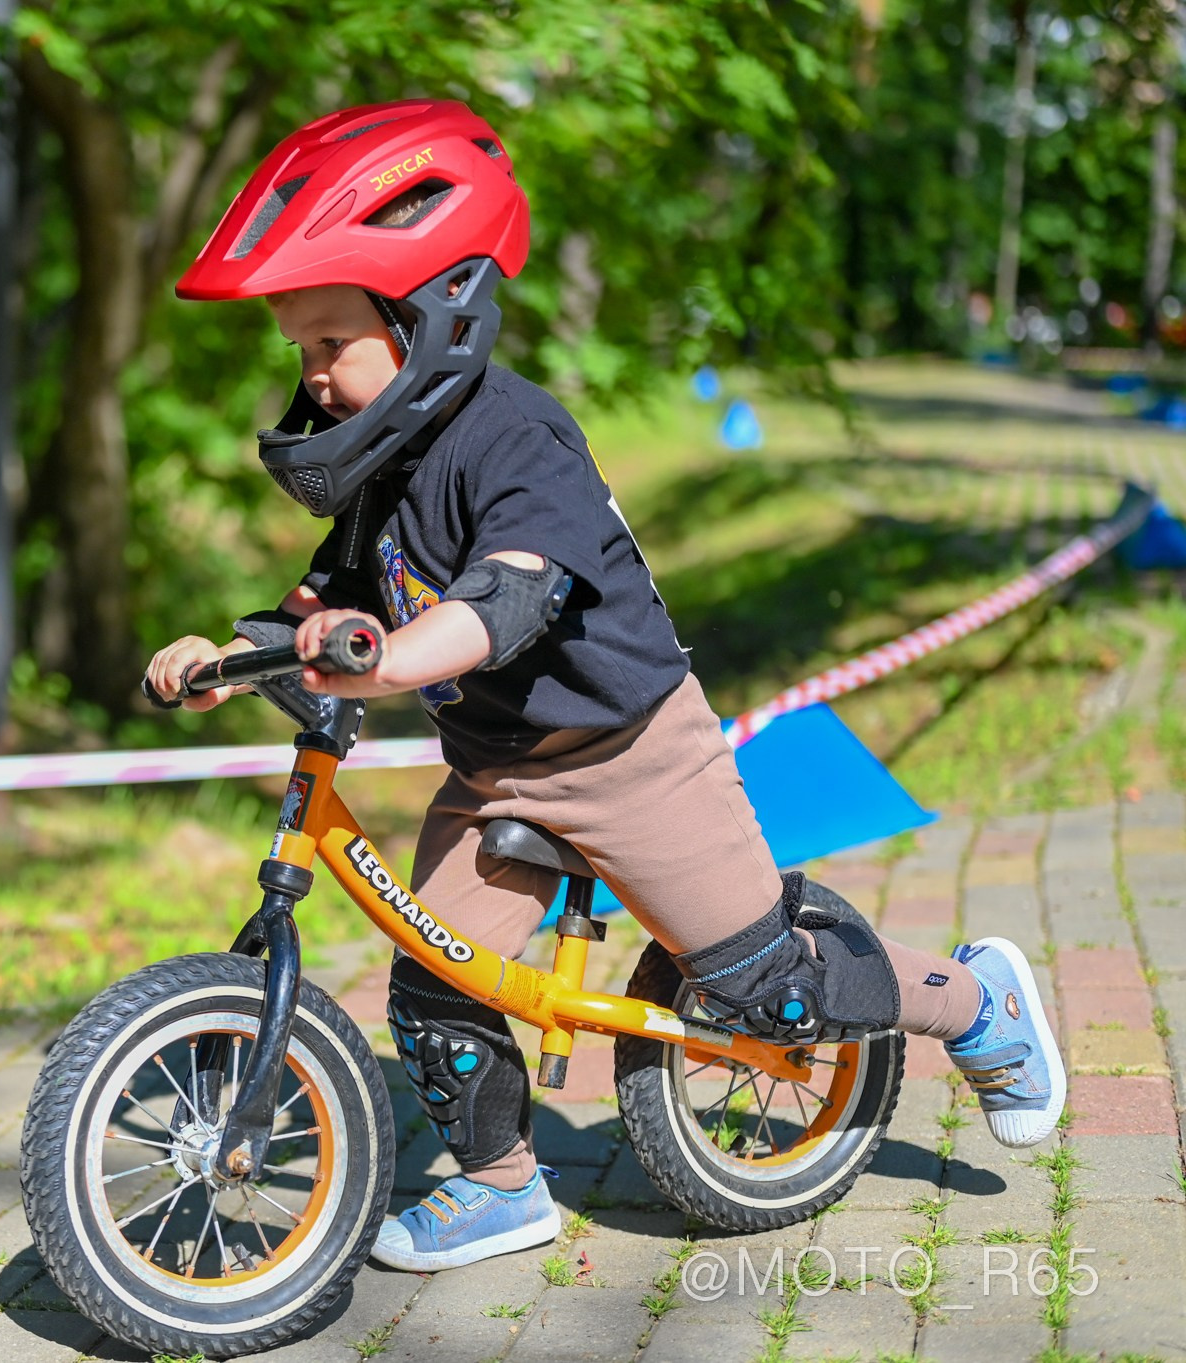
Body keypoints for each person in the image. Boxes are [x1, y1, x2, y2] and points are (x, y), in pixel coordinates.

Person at [152, 100, 1064, 1274]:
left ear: (427, 315)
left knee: (758, 989)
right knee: (436, 988)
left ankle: (972, 1000)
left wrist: (392, 657)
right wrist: (230, 656)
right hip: (496, 770)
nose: (313, 377)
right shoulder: (380, 470)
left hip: (633, 756)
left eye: (330, 342)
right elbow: (319, 604)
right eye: (300, 353)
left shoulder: (519, 440)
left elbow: (505, 601)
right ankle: (498, 1187)